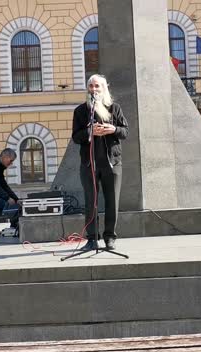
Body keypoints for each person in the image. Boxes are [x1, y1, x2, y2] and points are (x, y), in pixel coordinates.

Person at [72, 74, 129, 250]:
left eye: (97, 86)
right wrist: (90, 132)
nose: (94, 89)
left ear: (104, 89)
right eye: (91, 86)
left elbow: (125, 131)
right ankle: (91, 238)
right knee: (91, 201)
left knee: (112, 201)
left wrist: (113, 129)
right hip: (89, 163)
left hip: (112, 163)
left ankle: (110, 237)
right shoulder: (81, 111)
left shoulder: (114, 108)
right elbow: (75, 137)